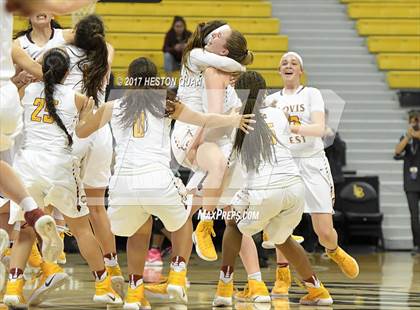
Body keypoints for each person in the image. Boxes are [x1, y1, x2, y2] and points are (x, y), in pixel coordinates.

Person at [75, 57, 255, 308]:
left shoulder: (112, 106)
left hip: (122, 186)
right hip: (157, 179)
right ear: (154, 80)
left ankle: (135, 293)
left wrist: (84, 112)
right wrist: (232, 120)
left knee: (140, 228)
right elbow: (204, 119)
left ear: (130, 79)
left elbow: (82, 132)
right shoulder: (167, 103)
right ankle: (178, 275)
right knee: (183, 221)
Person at [3, 48, 123, 307]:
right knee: (81, 229)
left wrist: (20, 81)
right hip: (59, 167)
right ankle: (103, 285)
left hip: (28, 166)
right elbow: (82, 133)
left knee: (24, 229)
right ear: (67, 73)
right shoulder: (77, 98)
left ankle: (13, 287)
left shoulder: (26, 93)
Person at [213, 71, 333, 306]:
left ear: (238, 95)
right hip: (295, 188)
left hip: (266, 189)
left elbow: (227, 170)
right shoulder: (278, 114)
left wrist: (211, 198)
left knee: (233, 223)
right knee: (283, 237)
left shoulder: (236, 122)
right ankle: (318, 291)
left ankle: (224, 288)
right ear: (265, 93)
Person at [0, 0, 96, 292]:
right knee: (19, 204)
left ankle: (35, 262)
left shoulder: (65, 36)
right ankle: (45, 263)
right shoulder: (16, 43)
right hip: (21, 118)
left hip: (28, 128)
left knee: (13, 208)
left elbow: (95, 37)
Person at [264, 52, 359, 296]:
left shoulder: (312, 94)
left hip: (312, 162)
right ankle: (282, 276)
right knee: (280, 224)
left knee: (324, 231)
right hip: (285, 163)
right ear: (279, 70)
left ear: (301, 71)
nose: (288, 65)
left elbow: (319, 129)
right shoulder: (271, 100)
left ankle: (334, 250)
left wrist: (291, 125)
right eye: (284, 63)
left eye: (293, 63)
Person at [171, 21, 253, 263]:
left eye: (221, 35)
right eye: (216, 33)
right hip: (192, 132)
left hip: (214, 137)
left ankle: (254, 281)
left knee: (229, 213)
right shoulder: (197, 57)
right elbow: (213, 117)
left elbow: (232, 110)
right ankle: (204, 227)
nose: (216, 36)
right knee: (218, 173)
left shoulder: (224, 74)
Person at [63, 14, 124, 296]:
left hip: (76, 130)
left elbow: (62, 37)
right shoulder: (107, 52)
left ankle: (49, 261)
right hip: (100, 133)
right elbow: (103, 43)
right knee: (97, 208)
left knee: (63, 203)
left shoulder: (63, 52)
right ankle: (112, 266)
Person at [394, 110, 420, 255]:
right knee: (414, 215)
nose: (415, 123)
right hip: (411, 183)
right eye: (412, 120)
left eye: (417, 120)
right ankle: (417, 245)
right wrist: (408, 137)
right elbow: (397, 151)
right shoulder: (407, 138)